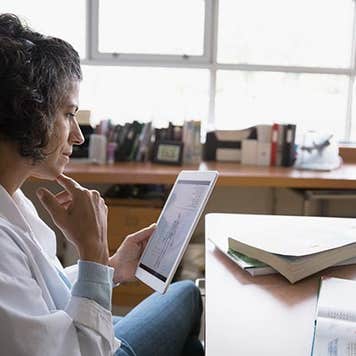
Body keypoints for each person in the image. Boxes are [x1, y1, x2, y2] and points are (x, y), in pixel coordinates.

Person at [0, 13, 204, 356]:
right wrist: (91, 250)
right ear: (28, 111)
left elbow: (44, 295)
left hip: (84, 338)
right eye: (68, 114)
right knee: (186, 296)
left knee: (185, 344)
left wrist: (107, 268)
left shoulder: (13, 198)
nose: (78, 136)